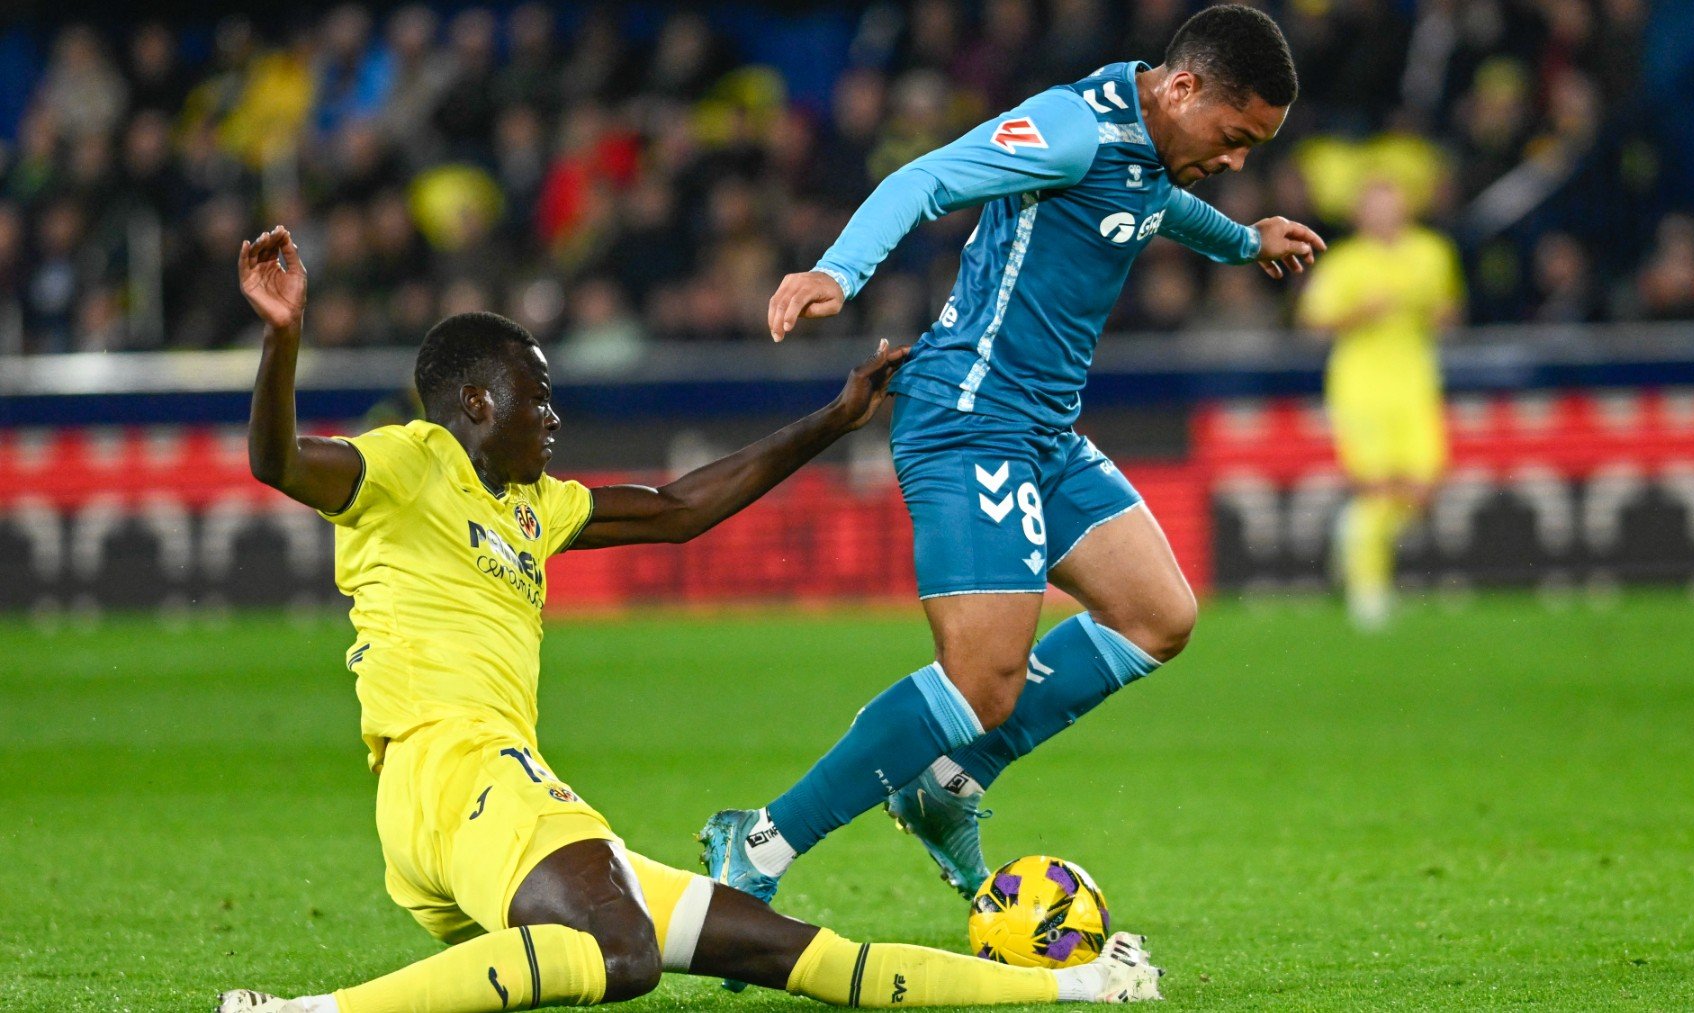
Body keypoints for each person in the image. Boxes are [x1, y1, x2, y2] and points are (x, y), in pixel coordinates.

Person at [217, 226, 1163, 1013]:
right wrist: (283, 340)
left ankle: (1082, 984)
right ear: (474, 401)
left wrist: (831, 424)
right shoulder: (407, 462)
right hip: (450, 764)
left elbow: (678, 508)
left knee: (785, 949)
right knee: (620, 951)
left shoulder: (534, 505)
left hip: (490, 786)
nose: (553, 416)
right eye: (537, 395)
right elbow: (280, 463)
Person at [702, 5, 1323, 905]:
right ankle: (757, 844)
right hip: (968, 416)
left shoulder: (1149, 144)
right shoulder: (1072, 128)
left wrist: (1240, 240)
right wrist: (837, 271)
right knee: (982, 680)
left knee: (1159, 613)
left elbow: (1148, 205)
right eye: (1233, 138)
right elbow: (925, 177)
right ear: (1183, 87)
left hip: (1044, 430)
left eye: (1251, 150)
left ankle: (947, 782)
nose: (1235, 162)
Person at [1297, 178, 1464, 629]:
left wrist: (1438, 314)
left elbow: (1449, 310)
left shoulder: (1432, 252)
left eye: (1391, 205)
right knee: (1378, 487)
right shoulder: (1346, 263)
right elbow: (1314, 323)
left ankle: (1353, 537)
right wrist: (1360, 313)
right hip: (1361, 386)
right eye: (1375, 207)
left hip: (1415, 383)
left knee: (1423, 485)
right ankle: (1368, 591)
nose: (1384, 214)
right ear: (1360, 215)